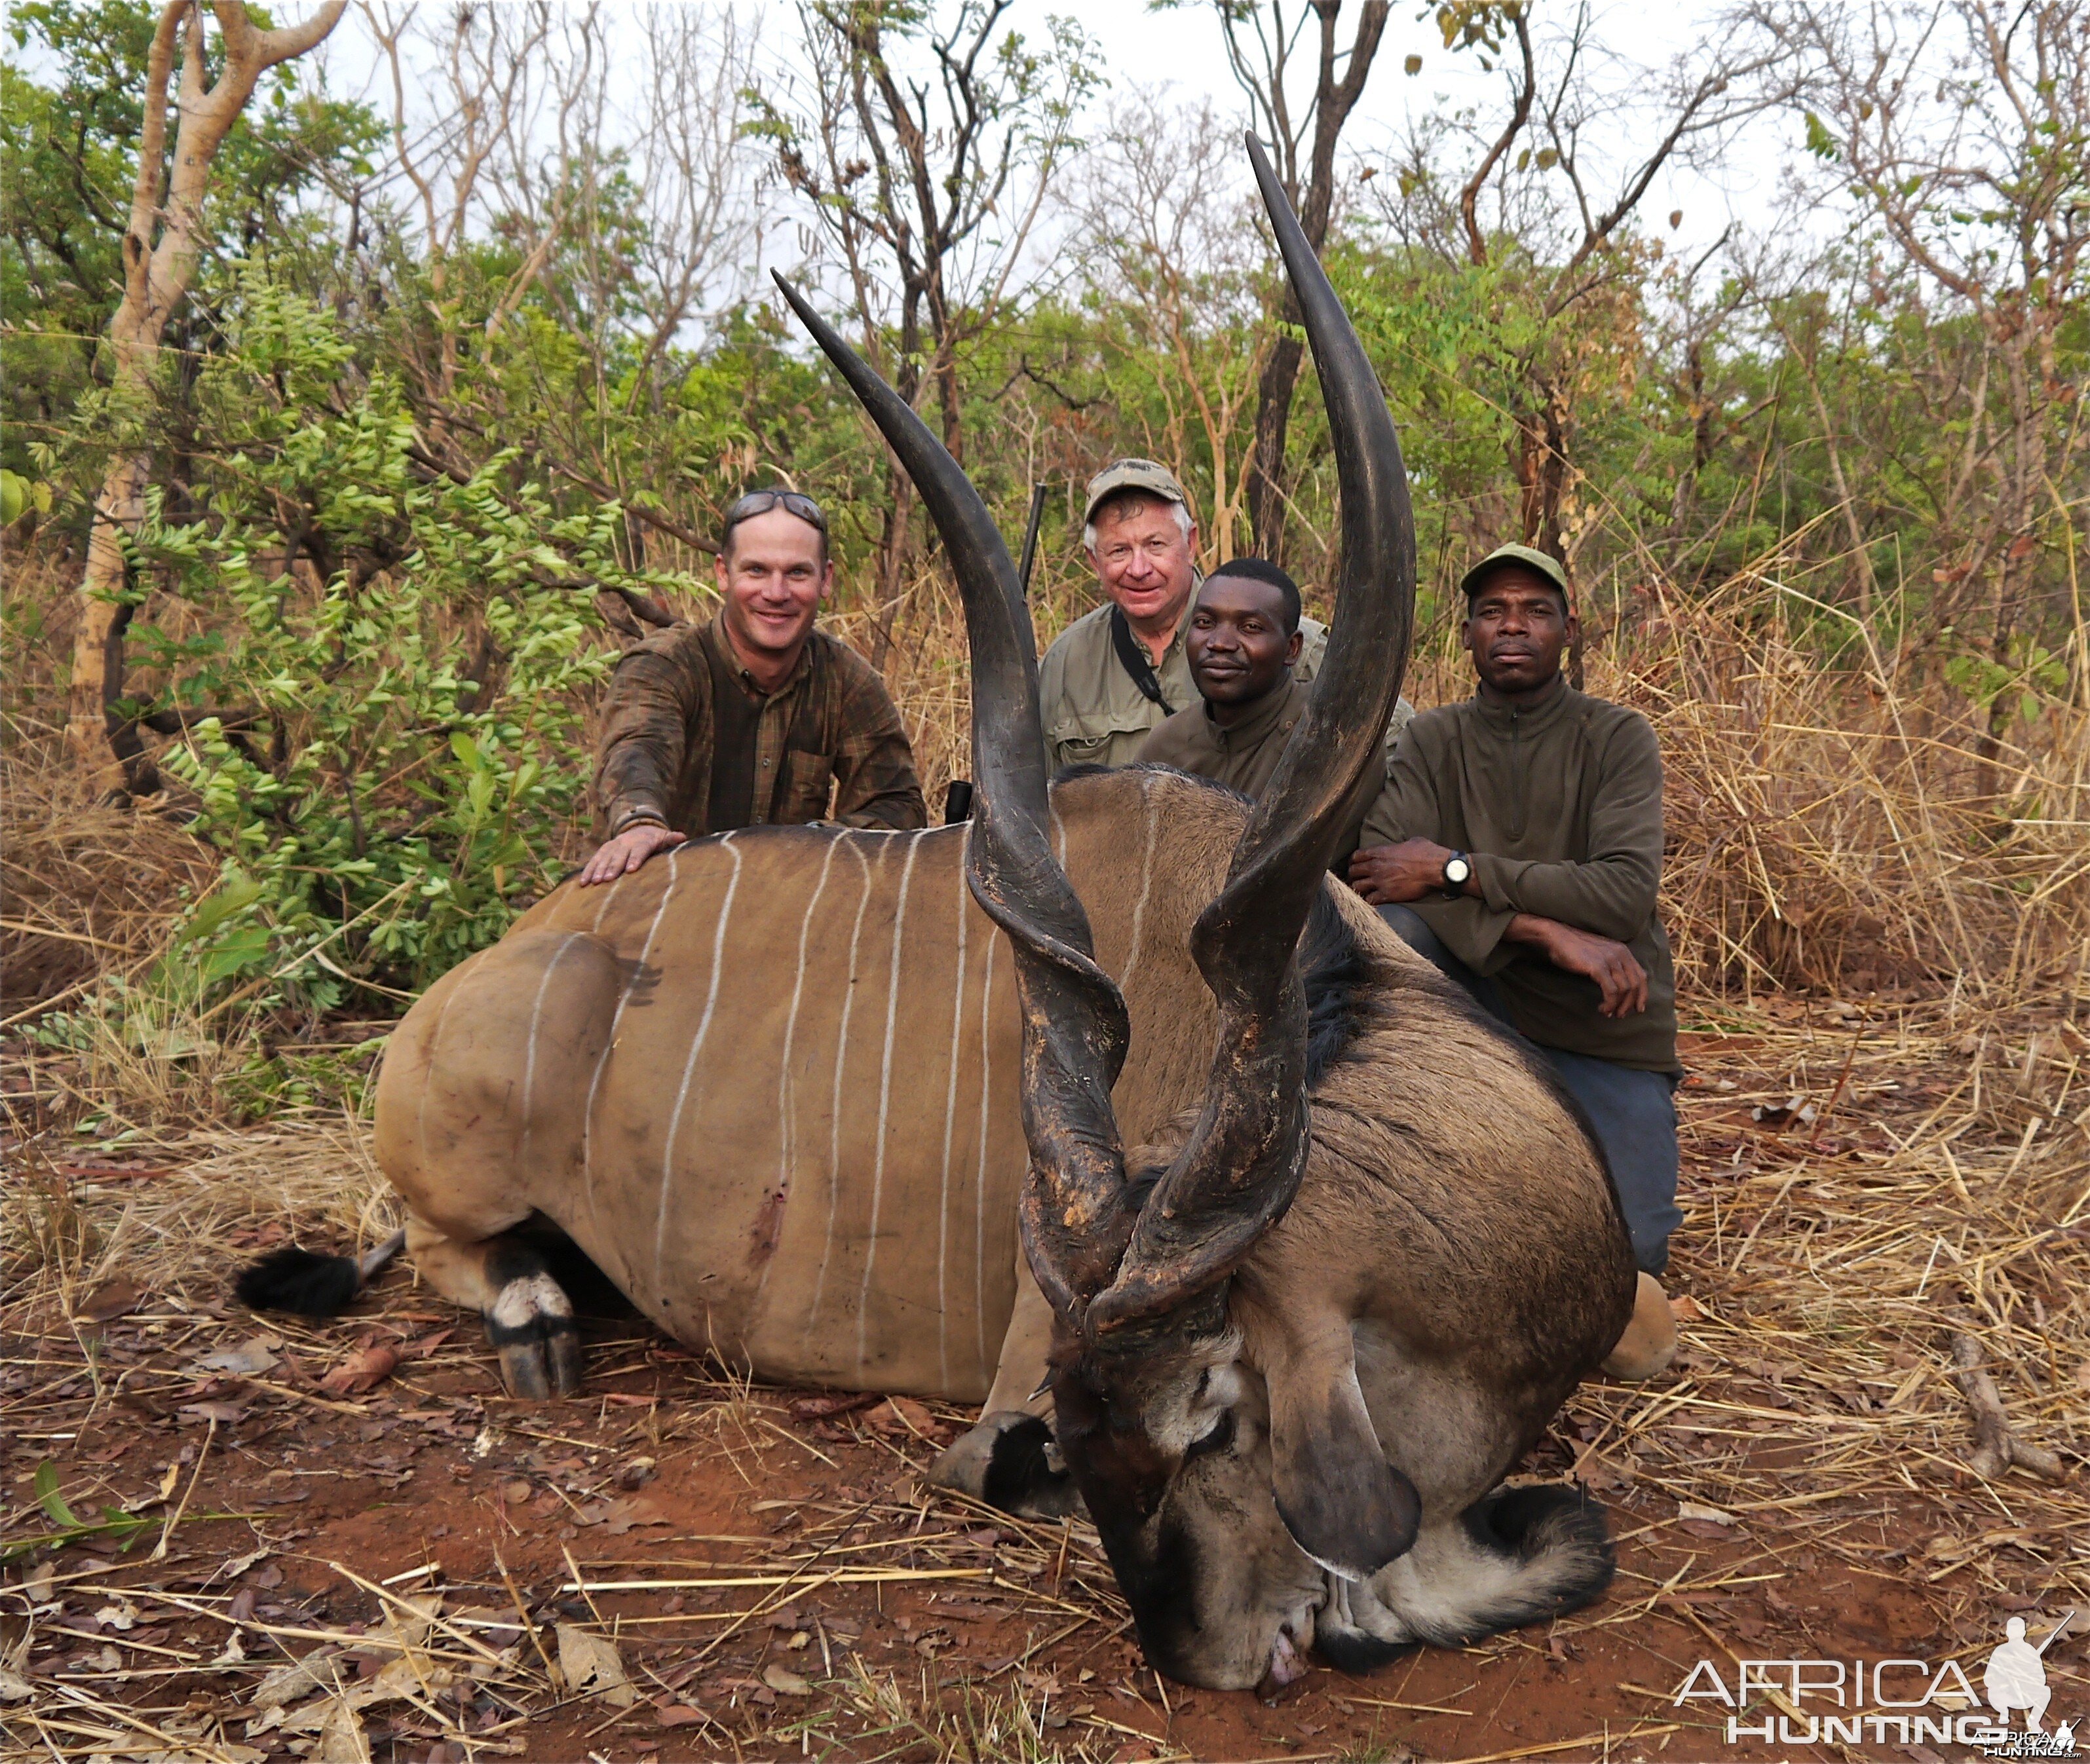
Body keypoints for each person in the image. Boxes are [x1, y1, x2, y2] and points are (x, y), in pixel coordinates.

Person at [1348, 542, 1682, 1374]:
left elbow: (1621, 897)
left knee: (1627, 1274)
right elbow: (1383, 878)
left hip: (1595, 1025)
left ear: (1569, 628)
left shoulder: (1617, 738)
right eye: (1493, 610)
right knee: (1394, 930)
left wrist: (1458, 870)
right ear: (1465, 633)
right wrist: (1543, 930)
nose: (1512, 625)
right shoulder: (1429, 738)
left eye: (1534, 610)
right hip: (1471, 1023)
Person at [579, 487, 926, 886]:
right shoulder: (664, 666)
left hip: (777, 904)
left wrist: (809, 845)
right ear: (724, 573)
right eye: (757, 570)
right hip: (659, 895)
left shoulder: (847, 680)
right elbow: (636, 753)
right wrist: (638, 824)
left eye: (797, 572)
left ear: (826, 579)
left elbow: (896, 803)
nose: (776, 594)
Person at [1036, 460, 1329, 774]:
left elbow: (1382, 765)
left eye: (1156, 545)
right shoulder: (1064, 664)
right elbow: (1039, 801)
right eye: (1119, 551)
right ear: (1094, 560)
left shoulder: (1298, 647)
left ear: (1190, 544)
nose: (1139, 569)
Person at [1135, 558, 1410, 863]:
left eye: (1250, 627)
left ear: (1292, 649)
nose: (1220, 643)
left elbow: (1292, 867)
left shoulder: (1334, 735)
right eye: (1205, 623)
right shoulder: (1164, 748)